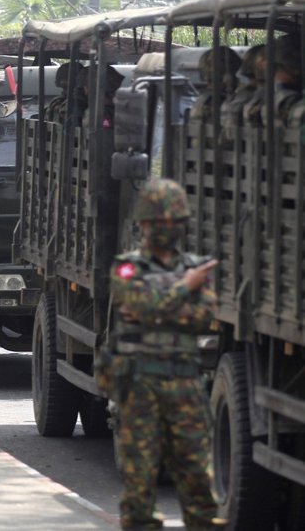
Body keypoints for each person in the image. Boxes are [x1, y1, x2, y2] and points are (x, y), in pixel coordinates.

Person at [108, 178, 223, 531]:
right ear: (143, 224)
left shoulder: (197, 266)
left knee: (199, 486)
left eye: (173, 221)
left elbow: (203, 317)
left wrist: (159, 305)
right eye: (159, 222)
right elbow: (137, 306)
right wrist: (182, 289)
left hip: (185, 387)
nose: (166, 228)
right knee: (139, 488)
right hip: (140, 387)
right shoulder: (127, 267)